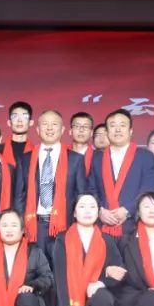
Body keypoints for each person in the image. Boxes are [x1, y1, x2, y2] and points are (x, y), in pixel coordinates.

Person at [53, 193, 126, 306]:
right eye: (82, 206)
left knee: (104, 298)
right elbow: (59, 277)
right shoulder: (62, 239)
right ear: (74, 212)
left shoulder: (106, 240)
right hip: (72, 299)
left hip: (95, 296)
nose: (87, 211)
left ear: (98, 212)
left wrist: (100, 282)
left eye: (92, 207)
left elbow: (120, 272)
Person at [13, 110, 91, 258]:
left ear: (62, 130)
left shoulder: (75, 159)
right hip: (34, 226)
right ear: (37, 129)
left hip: (64, 226)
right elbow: (19, 196)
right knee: (35, 269)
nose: (49, 128)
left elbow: (81, 196)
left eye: (54, 124)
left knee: (61, 268)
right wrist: (20, 225)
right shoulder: (25, 159)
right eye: (45, 124)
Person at [91, 109, 154, 239]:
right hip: (103, 226)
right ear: (107, 132)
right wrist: (100, 210)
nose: (117, 130)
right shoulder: (97, 158)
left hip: (134, 225)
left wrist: (127, 210)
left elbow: (149, 188)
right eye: (113, 126)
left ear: (130, 131)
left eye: (122, 125)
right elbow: (91, 189)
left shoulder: (145, 156)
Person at [0, 101, 35, 168]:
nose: (19, 120)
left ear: (31, 122)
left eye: (24, 116)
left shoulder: (36, 152)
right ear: (9, 122)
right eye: (15, 116)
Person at [67, 112, 96, 176]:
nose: (81, 130)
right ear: (70, 131)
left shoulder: (98, 157)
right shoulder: (62, 154)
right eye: (77, 126)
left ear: (91, 133)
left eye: (86, 127)